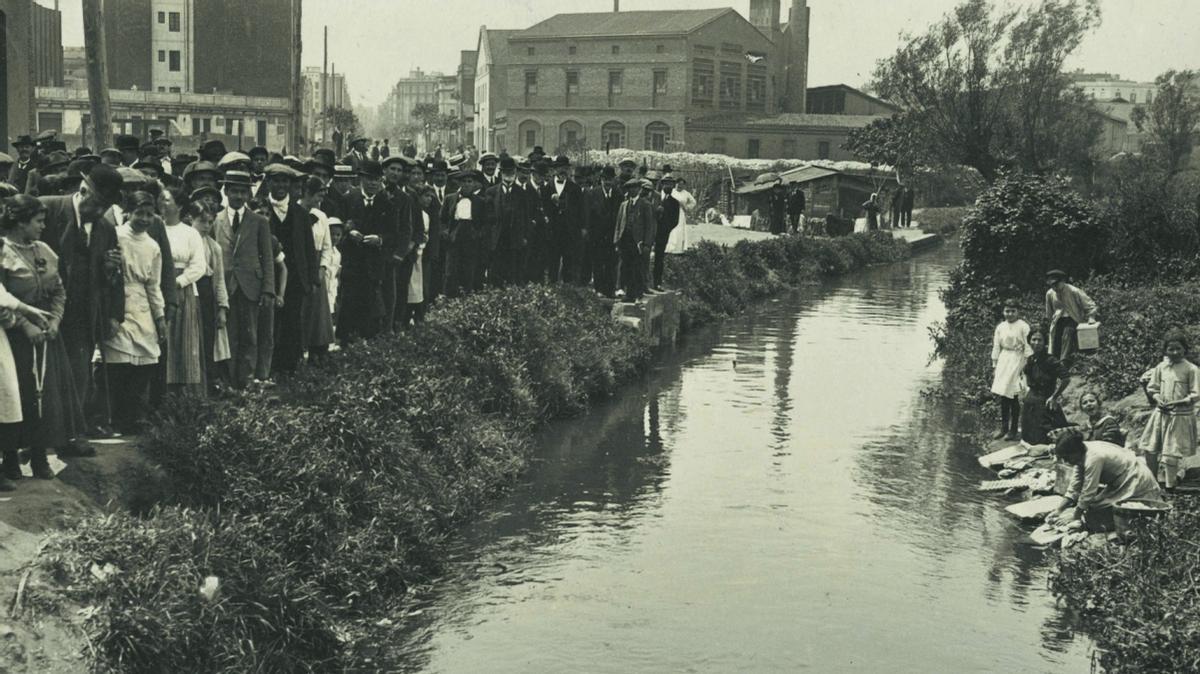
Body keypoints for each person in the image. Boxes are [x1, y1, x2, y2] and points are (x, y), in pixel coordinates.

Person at [38, 164, 125, 442]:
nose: (100, 212)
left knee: (78, 375)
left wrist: (113, 314)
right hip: (43, 311)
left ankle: (69, 436)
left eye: (107, 206)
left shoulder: (106, 228)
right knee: (41, 375)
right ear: (83, 190)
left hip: (82, 314)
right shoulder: (47, 210)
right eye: (98, 204)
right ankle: (37, 438)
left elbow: (113, 277)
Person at [0, 196, 85, 479]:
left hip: (48, 335)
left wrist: (55, 321)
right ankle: (10, 459)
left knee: (46, 400)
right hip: (16, 339)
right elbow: (3, 301)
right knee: (17, 398)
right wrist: (25, 325)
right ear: (20, 222)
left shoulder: (45, 249)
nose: (43, 226)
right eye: (38, 221)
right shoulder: (3, 252)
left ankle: (39, 457)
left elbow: (59, 289)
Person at [100, 191, 166, 434]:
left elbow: (153, 284)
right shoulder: (115, 236)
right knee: (118, 363)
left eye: (150, 214)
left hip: (142, 307)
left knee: (144, 363)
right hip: (117, 302)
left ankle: (132, 417)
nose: (145, 219)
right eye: (140, 213)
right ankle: (111, 418)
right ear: (127, 212)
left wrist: (159, 317)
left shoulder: (153, 245)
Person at [213, 170, 275, 389]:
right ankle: (227, 381)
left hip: (251, 285)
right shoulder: (216, 220)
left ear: (249, 194)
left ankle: (247, 380)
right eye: (234, 191)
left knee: (250, 334)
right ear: (226, 192)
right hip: (226, 284)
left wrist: (268, 289)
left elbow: (268, 257)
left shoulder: (259, 221)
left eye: (242, 192)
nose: (238, 196)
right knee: (227, 334)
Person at [262, 164, 318, 374]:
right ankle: (269, 367)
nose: (281, 186)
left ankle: (290, 367)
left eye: (285, 181)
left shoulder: (300, 213)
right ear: (268, 183)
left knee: (292, 321)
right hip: (269, 274)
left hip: (295, 275)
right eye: (276, 181)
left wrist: (312, 278)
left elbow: (309, 247)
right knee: (270, 322)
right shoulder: (261, 208)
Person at [1047, 433, 1161, 530]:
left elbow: (1088, 492)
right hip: (1119, 481)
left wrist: (1075, 516)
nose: (1066, 461)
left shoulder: (1094, 457)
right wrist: (1058, 510)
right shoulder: (1081, 454)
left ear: (1076, 451)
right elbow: (1074, 486)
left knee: (1097, 517)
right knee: (1092, 507)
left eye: (1067, 457)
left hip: (1135, 479)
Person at [338, 160, 398, 341]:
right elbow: (338, 225)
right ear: (361, 178)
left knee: (371, 306)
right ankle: (345, 341)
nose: (373, 183)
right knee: (349, 302)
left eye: (377, 179)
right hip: (352, 263)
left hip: (374, 263)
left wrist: (380, 239)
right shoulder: (349, 199)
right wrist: (349, 232)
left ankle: (368, 344)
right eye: (369, 179)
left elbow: (394, 233)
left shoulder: (388, 202)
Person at [160, 185, 208, 396]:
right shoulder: (154, 228)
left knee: (184, 343)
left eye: (167, 200)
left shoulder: (190, 233)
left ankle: (185, 397)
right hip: (156, 289)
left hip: (183, 291)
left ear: (179, 206)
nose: (161, 204)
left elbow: (199, 266)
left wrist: (177, 283)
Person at [1137, 329, 1200, 489]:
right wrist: (1158, 399)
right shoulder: (1161, 367)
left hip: (1180, 416)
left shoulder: (1191, 369)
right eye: (1170, 349)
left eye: (1178, 348)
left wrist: (1179, 402)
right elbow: (1153, 387)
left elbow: (1196, 394)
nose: (1175, 352)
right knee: (1149, 448)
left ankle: (1171, 487)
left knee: (1171, 455)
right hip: (1161, 414)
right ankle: (1152, 484)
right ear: (1165, 350)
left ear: (1185, 349)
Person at [186, 196, 229, 389]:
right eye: (201, 221)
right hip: (188, 292)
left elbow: (219, 279)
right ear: (190, 220)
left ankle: (206, 385)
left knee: (206, 340)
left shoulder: (214, 247)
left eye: (210, 222)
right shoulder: (184, 241)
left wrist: (221, 307)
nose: (206, 226)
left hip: (206, 294)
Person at [298, 177, 335, 362]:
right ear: (307, 193)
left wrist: (322, 268)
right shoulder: (295, 211)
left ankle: (318, 351)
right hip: (301, 264)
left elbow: (327, 245)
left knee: (319, 312)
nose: (321, 198)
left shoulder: (321, 216)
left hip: (318, 265)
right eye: (318, 194)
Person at [990, 299, 1031, 441]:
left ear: (1018, 312)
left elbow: (1028, 346)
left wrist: (1026, 365)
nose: (1010, 314)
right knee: (1003, 395)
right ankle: (1003, 427)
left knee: (1013, 396)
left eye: (1013, 311)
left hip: (1017, 359)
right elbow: (996, 346)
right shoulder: (1000, 327)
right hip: (1004, 359)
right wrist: (995, 365)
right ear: (1003, 312)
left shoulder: (1023, 326)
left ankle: (1013, 429)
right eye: (1007, 311)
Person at [484, 155, 528, 287]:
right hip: (497, 238)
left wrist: (524, 236)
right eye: (506, 172)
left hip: (514, 238)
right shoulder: (491, 192)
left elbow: (525, 217)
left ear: (515, 173)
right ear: (501, 173)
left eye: (512, 172)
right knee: (496, 271)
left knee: (513, 271)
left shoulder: (521, 193)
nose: (509, 175)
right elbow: (487, 218)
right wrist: (490, 236)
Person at [1021, 328, 1070, 445]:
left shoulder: (1051, 360)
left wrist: (1054, 397)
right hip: (1030, 402)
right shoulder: (1031, 359)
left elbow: (1066, 379)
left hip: (1045, 402)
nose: (1036, 343)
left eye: (1040, 340)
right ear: (1029, 341)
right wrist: (1025, 393)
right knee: (1029, 438)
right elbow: (1027, 376)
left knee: (1047, 437)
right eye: (1034, 340)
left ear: (1045, 343)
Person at [442, 170, 486, 298]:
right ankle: (449, 299)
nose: (466, 184)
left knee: (469, 270)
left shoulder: (480, 201)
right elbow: (442, 219)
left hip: (471, 238)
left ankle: (467, 298)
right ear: (459, 183)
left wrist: (478, 234)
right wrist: (445, 232)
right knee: (451, 271)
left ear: (474, 184)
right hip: (454, 237)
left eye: (469, 182)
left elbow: (485, 222)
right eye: (464, 182)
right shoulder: (450, 199)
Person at [614, 178, 656, 303]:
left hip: (638, 242)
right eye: (630, 188)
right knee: (626, 266)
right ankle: (629, 294)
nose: (632, 190)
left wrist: (647, 244)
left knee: (637, 268)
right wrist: (616, 240)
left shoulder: (645, 205)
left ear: (639, 189)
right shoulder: (624, 205)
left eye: (635, 188)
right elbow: (618, 223)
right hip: (625, 240)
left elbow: (650, 226)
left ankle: (637, 294)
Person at [584, 166, 622, 298]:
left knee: (611, 264)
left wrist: (618, 237)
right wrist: (589, 234)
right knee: (598, 263)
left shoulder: (618, 195)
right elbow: (588, 216)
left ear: (614, 180)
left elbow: (620, 216)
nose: (607, 182)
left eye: (610, 179)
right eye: (605, 179)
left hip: (612, 237)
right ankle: (599, 289)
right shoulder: (593, 194)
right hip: (597, 236)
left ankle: (610, 290)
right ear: (601, 179)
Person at [1044, 269, 1097, 361]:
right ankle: (1054, 362)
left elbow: (1090, 305)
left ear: (1063, 281)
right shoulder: (1050, 293)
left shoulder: (1074, 291)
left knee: (1067, 335)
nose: (1054, 287)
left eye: (1056, 284)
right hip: (1058, 320)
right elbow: (1049, 311)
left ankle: (1063, 361)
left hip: (1073, 318)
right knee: (1055, 338)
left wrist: (1091, 317)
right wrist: (1049, 322)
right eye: (1052, 285)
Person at [400, 186, 434, 327]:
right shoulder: (414, 213)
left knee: (417, 287)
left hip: (419, 256)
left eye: (431, 197)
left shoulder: (425, 216)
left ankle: (417, 316)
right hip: (410, 255)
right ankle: (404, 318)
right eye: (426, 196)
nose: (429, 199)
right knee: (409, 287)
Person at [547, 155, 584, 283]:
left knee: (569, 260)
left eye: (565, 168)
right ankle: (552, 288)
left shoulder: (575, 188)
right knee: (552, 259)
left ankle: (568, 290)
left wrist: (579, 228)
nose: (563, 171)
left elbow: (580, 211)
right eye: (560, 168)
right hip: (552, 231)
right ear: (555, 169)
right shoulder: (547, 187)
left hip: (569, 231)